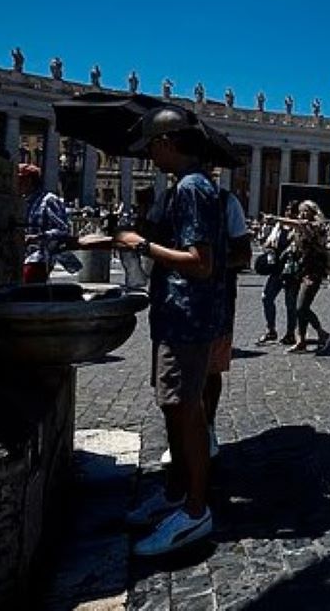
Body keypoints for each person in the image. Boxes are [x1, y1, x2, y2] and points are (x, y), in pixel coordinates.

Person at [117, 106, 225, 556]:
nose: (149, 156)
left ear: (168, 143)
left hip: (187, 317)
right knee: (174, 408)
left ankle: (195, 512)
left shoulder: (194, 188)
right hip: (177, 315)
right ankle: (177, 494)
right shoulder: (189, 187)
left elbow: (201, 263)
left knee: (187, 412)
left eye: (153, 147)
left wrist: (141, 245)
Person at [161, 187, 252, 464]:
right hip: (173, 297)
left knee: (211, 369)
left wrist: (209, 263)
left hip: (216, 298)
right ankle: (179, 437)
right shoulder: (167, 199)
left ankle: (208, 426)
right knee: (173, 369)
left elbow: (243, 253)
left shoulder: (227, 202)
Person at [279, 201, 330, 353]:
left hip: (314, 271)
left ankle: (322, 333)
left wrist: (279, 220)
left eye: (305, 212)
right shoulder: (299, 228)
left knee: (301, 307)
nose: (302, 215)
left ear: (313, 212)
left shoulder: (318, 226)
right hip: (300, 271)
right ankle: (301, 340)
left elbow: (310, 233)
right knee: (299, 309)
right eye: (300, 212)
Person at [17, 163, 73, 284]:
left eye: (20, 179)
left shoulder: (48, 200)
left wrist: (37, 237)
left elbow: (62, 229)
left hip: (40, 257)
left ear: (29, 180)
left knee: (29, 287)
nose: (16, 183)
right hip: (21, 256)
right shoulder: (23, 201)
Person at [257, 202, 302, 346]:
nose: (288, 212)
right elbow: (268, 242)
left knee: (290, 304)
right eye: (287, 210)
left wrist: (276, 219)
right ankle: (271, 329)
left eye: (291, 211)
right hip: (276, 269)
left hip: (291, 271)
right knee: (266, 297)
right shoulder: (278, 227)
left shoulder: (298, 226)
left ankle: (290, 333)